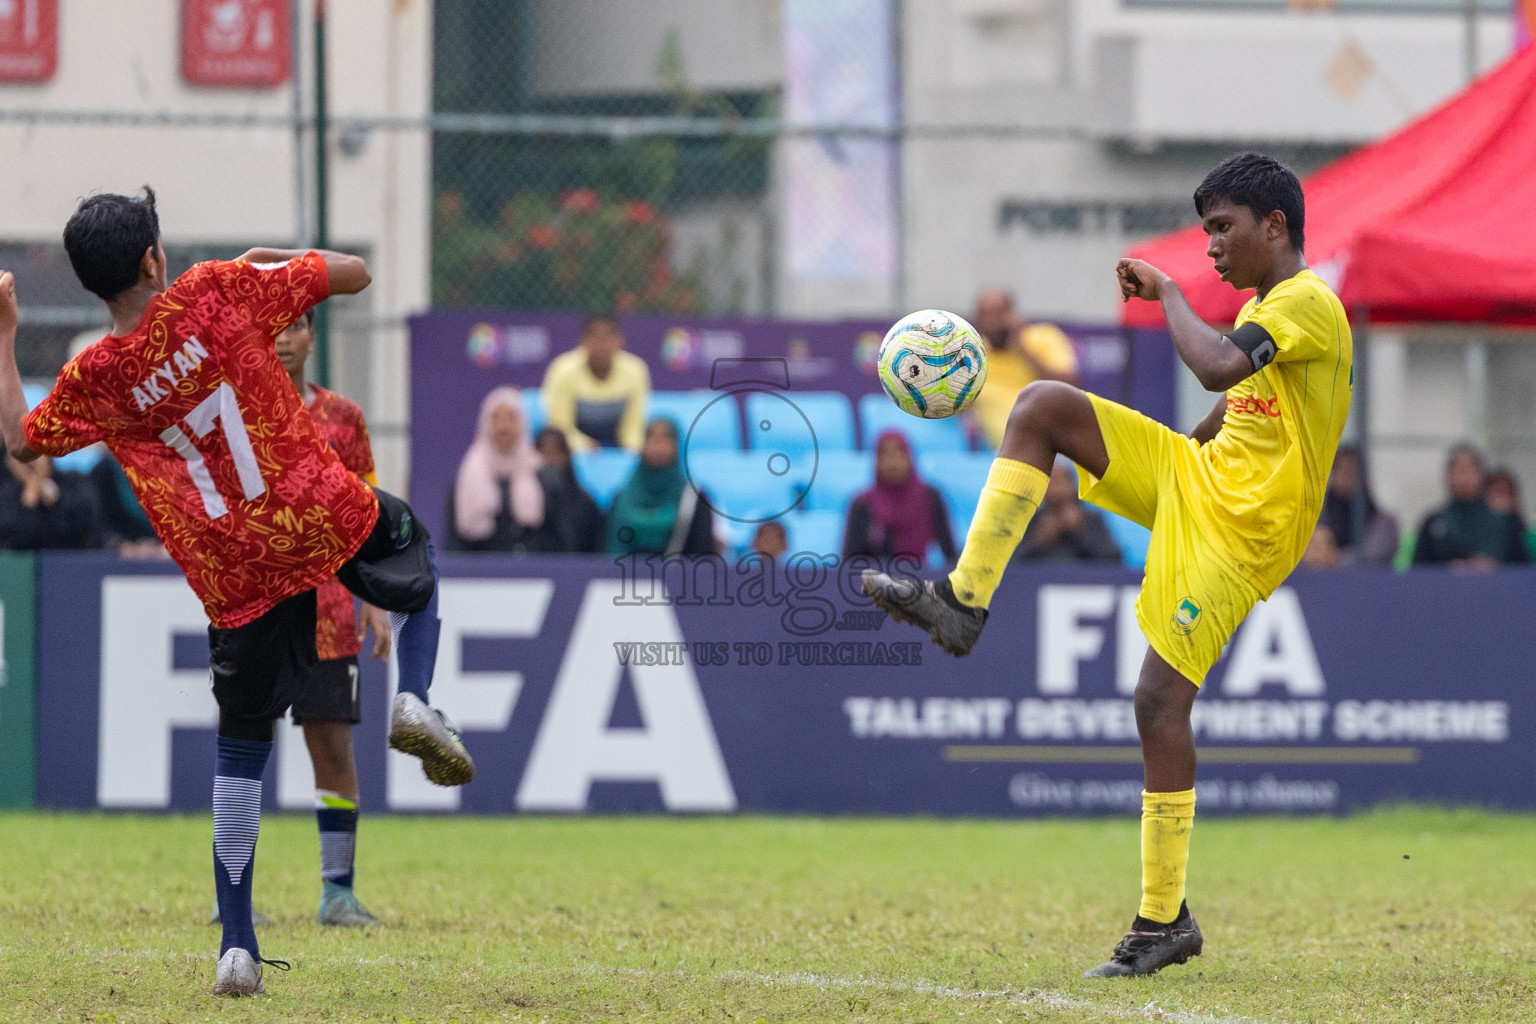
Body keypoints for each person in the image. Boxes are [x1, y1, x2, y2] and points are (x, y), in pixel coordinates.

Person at [863, 153, 1352, 978]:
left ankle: (1165, 923)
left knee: (1158, 703)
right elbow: (1239, 405)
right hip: (1202, 481)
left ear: (1276, 227)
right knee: (1042, 406)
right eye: (1205, 235)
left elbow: (1219, 366)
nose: (1211, 248)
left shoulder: (1306, 302)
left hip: (1243, 530)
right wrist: (1178, 447)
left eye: (1222, 228)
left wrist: (1169, 294)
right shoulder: (1275, 308)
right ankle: (963, 600)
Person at [0, 188, 473, 998]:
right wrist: (275, 266)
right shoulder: (218, 289)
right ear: (154, 258)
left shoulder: (95, 377)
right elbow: (354, 274)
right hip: (313, 513)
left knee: (241, 749)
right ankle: (418, 697)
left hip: (233, 570)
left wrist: (5, 335)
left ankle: (239, 945)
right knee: (413, 556)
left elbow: (17, 437)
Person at [271, 306, 391, 927]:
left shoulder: (343, 417)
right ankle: (228, 890)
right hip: (256, 599)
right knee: (243, 743)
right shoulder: (233, 411)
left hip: (329, 606)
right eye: (274, 327)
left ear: (313, 336)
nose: (285, 338)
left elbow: (365, 513)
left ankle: (337, 892)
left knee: (334, 747)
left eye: (296, 326)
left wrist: (373, 597)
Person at [446, 388, 570, 552]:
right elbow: (453, 542)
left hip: (536, 573)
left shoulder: (545, 477)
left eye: (511, 417)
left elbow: (561, 541)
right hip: (482, 574)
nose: (503, 427)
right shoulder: (466, 476)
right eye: (496, 418)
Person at [967, 289, 1079, 450]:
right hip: (1006, 446)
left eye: (999, 313)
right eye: (986, 314)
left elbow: (1069, 386)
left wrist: (1022, 349)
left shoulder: (1044, 336)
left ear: (1012, 314)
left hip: (1053, 435)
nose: (993, 321)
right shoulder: (972, 354)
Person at [841, 431, 956, 563]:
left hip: (923, 580)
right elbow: (848, 564)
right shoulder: (862, 504)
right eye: (885, 454)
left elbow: (950, 555)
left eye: (899, 452)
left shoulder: (931, 497)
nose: (893, 461)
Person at [541, 314, 650, 453]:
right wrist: (584, 446)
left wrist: (634, 451)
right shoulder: (562, 370)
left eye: (608, 338)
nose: (601, 345)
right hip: (573, 453)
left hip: (618, 451)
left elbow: (633, 427)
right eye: (595, 337)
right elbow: (560, 426)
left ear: (620, 340)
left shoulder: (636, 370)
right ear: (583, 340)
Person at [607, 418, 715, 555]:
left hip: (679, 575)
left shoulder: (694, 499)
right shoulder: (621, 498)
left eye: (665, 439)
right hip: (624, 575)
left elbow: (702, 555)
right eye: (651, 438)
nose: (657, 445)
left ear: (676, 446)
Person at [1412, 445, 1529, 567]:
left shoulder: (1506, 520)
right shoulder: (1433, 523)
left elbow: (1523, 570)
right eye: (1457, 471)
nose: (1462, 478)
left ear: (1481, 474)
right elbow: (1418, 572)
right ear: (1448, 476)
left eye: (1469, 470)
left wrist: (1492, 567)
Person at [1015, 458, 1122, 564]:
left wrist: (1080, 531)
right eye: (1048, 483)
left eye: (1058, 481)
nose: (1054, 489)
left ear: (1072, 484)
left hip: (1083, 580)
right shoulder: (1030, 519)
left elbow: (1114, 560)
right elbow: (1011, 565)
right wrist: (1038, 542)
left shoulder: (1092, 518)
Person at [1306, 445, 1398, 568]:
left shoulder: (1382, 521)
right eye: (1340, 468)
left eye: (1351, 469)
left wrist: (1336, 557)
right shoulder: (1315, 517)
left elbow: (1377, 554)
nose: (1346, 474)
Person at [0, 452, 100, 549]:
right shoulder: (6, 495)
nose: (29, 462)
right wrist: (28, 503)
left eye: (34, 453)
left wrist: (55, 501)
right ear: (9, 463)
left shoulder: (73, 482)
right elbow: (12, 543)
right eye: (20, 457)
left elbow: (84, 528)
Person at [533, 426, 604, 553]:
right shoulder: (521, 502)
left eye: (555, 452)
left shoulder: (586, 505)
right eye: (544, 452)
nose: (550, 460)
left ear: (566, 456)